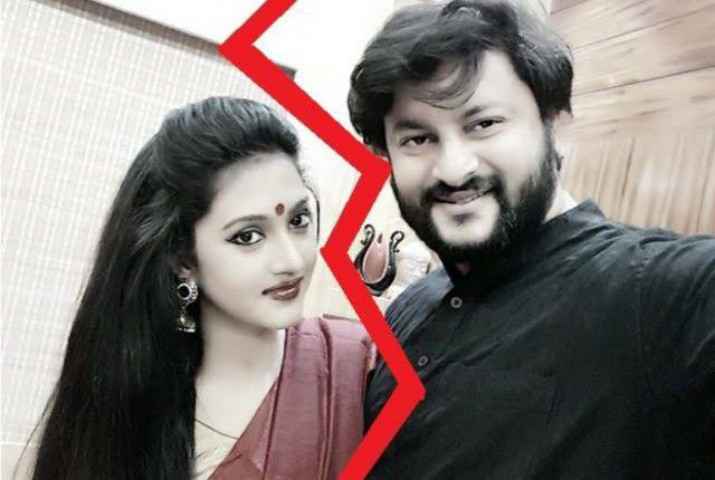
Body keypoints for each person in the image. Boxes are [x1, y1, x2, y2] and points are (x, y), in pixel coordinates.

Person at [348, 1, 715, 478]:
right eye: (417, 139)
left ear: (555, 126)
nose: (454, 169)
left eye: (484, 124)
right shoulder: (409, 308)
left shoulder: (664, 296)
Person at [16, 97, 373, 480]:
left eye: (299, 220)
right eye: (248, 236)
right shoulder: (123, 407)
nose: (291, 260)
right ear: (182, 259)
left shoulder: (358, 367)